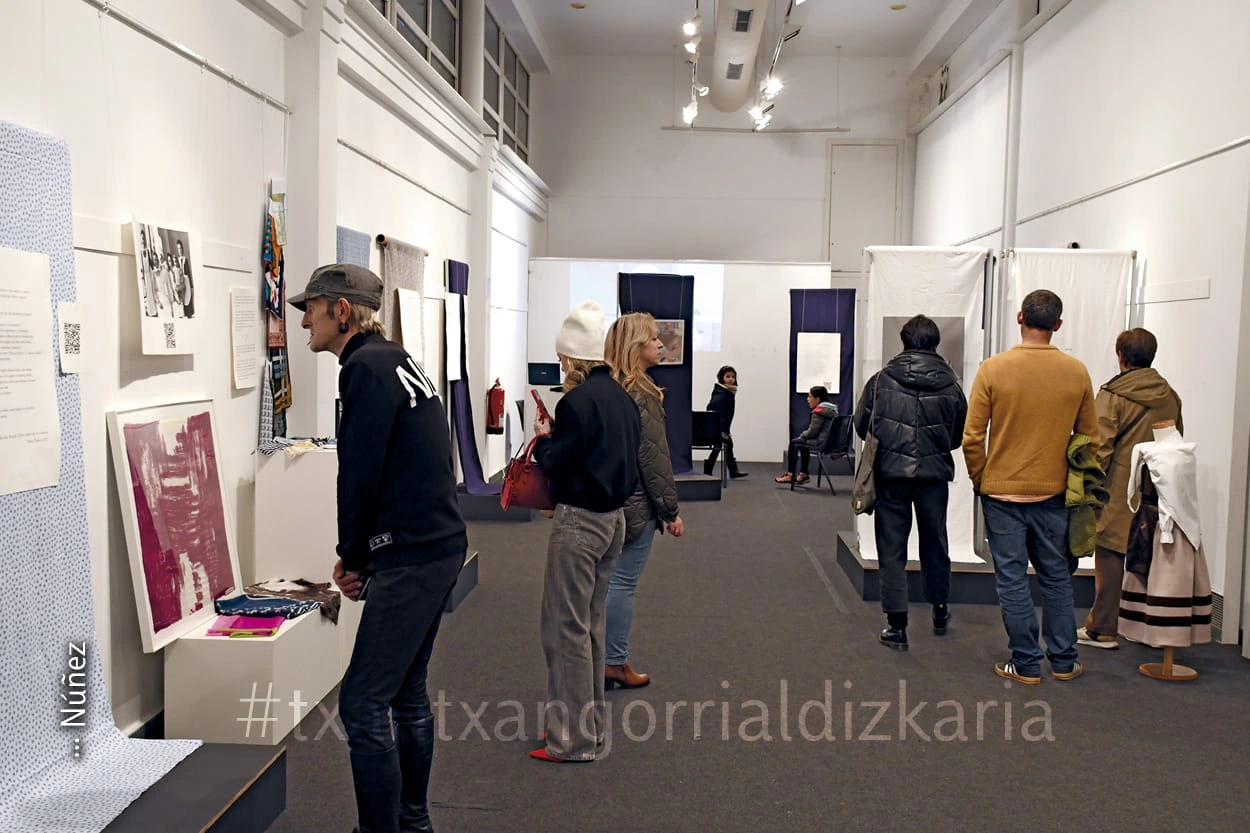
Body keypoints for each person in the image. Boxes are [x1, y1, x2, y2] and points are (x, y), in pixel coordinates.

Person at [290, 264, 466, 833]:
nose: (304, 322)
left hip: (413, 554)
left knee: (362, 705)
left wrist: (356, 555)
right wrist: (367, 552)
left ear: (342, 311)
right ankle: (413, 822)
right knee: (406, 692)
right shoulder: (397, 358)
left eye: (311, 309)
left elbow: (360, 472)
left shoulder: (363, 369)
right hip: (436, 544)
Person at [963, 289, 1098, 684]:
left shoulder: (993, 369)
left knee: (1011, 577)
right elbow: (1090, 439)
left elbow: (973, 437)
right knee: (1056, 576)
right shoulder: (1077, 372)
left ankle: (1024, 662)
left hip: (1001, 492)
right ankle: (1063, 659)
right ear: (1058, 325)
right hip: (1055, 493)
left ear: (1019, 317)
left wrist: (981, 479)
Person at [531, 301, 641, 763]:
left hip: (580, 523)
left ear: (572, 359)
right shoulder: (622, 398)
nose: (560, 366)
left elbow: (559, 460)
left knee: (564, 631)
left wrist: (544, 440)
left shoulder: (576, 402)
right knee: (591, 629)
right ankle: (589, 730)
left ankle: (571, 741)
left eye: (562, 359)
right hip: (613, 521)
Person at [854, 315, 967, 650]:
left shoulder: (881, 380)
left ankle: (897, 625)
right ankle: (940, 608)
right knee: (936, 541)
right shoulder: (952, 384)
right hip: (933, 477)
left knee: (891, 548)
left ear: (904, 341)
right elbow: (957, 436)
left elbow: (862, 426)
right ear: (935, 343)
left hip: (890, 475)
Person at [1080, 328, 1183, 649]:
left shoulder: (1114, 395)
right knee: (1152, 557)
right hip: (1157, 489)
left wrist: (1088, 491)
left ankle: (1103, 628)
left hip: (1119, 490)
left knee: (1110, 555)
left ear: (1120, 356)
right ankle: (1154, 630)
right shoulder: (1170, 395)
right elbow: (1176, 442)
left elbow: (1100, 448)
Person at [602, 313, 685, 691]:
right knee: (623, 583)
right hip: (636, 505)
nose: (660, 345)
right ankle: (614, 662)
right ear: (636, 345)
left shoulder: (609, 388)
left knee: (606, 583)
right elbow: (654, 458)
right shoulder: (643, 393)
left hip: (610, 501)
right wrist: (670, 511)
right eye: (652, 339)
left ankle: (602, 658)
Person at [775, 386, 837, 485]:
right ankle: (803, 474)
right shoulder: (832, 410)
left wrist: (802, 435)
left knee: (794, 443)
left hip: (821, 442)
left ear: (817, 399)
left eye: (810, 397)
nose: (808, 399)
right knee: (803, 444)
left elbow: (812, 432)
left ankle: (790, 475)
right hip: (830, 443)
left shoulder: (819, 412)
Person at [704, 365, 747, 479]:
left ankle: (727, 470)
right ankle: (728, 470)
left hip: (723, 426)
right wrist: (723, 430)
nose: (731, 379)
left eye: (733, 376)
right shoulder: (723, 392)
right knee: (722, 445)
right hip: (720, 427)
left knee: (724, 445)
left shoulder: (727, 391)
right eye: (728, 376)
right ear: (722, 377)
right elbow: (713, 409)